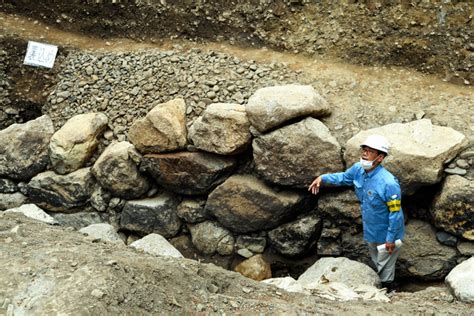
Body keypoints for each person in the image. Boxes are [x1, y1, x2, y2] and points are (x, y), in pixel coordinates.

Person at [308, 135, 405, 290]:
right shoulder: (358, 170)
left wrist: (391, 238)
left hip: (387, 231)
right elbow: (343, 178)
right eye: (364, 150)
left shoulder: (389, 183)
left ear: (380, 158)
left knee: (385, 265)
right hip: (370, 228)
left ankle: (387, 289)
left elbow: (395, 213)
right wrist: (323, 178)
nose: (364, 153)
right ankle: (383, 285)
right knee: (377, 259)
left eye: (370, 151)